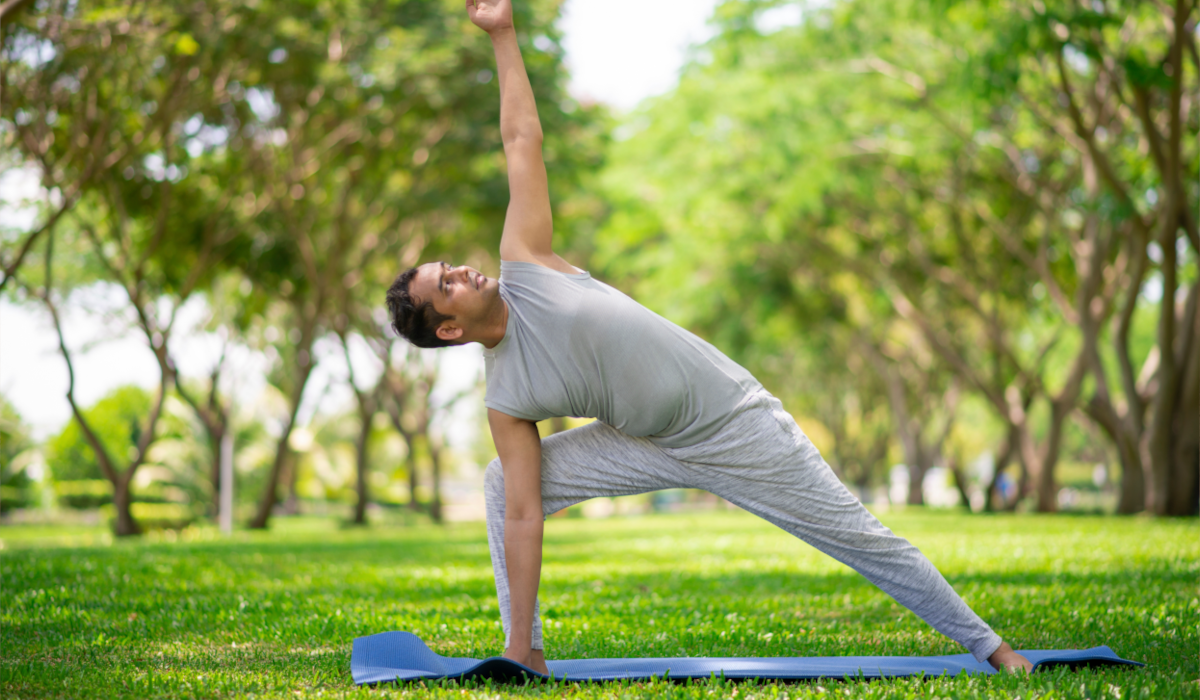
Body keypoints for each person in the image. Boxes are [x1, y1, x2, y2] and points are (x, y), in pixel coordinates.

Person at [385, 0, 1034, 676]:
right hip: (644, 445)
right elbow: (523, 515)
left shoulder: (528, 259)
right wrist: (518, 647)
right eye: (447, 284)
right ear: (451, 327)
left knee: (855, 536)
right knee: (501, 485)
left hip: (729, 421)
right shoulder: (507, 397)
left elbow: (522, 139)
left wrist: (504, 35)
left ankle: (993, 648)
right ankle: (527, 652)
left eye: (449, 266)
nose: (460, 269)